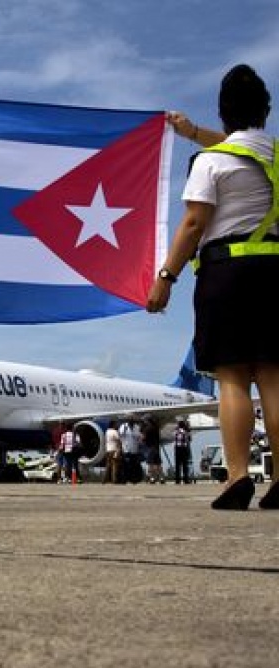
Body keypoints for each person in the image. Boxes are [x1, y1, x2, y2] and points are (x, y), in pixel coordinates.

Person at [149, 64, 279, 510]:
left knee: (233, 378)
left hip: (227, 274)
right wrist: (192, 132)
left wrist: (166, 277)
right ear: (265, 110)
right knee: (274, 379)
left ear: (224, 113)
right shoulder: (276, 155)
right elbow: (243, 148)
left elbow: (192, 224)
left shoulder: (211, 161)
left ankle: (239, 476)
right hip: (275, 272)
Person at [142, 419, 163, 483]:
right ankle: (161, 477)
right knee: (158, 463)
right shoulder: (156, 428)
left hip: (150, 448)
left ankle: (152, 478)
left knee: (150, 464)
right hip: (156, 448)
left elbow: (143, 438)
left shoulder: (147, 429)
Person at [174, 420, 192, 484]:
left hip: (177, 449)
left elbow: (175, 438)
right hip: (184, 448)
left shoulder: (176, 432)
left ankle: (177, 480)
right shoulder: (186, 432)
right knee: (185, 465)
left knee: (177, 465)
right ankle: (186, 479)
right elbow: (190, 439)